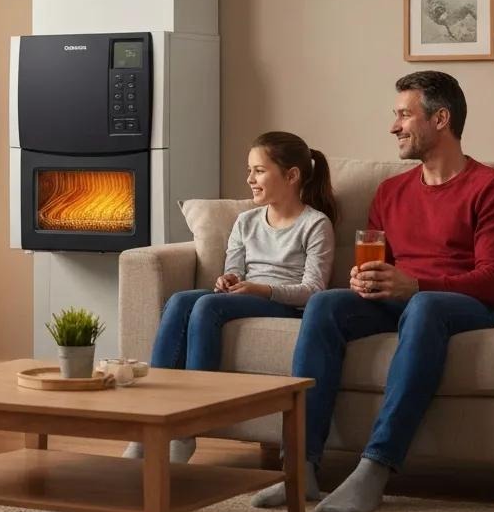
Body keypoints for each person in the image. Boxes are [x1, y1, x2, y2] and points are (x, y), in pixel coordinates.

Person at [254, 71, 494, 512]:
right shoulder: (392, 191)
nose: (394, 126)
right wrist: (368, 279)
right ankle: (300, 469)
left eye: (404, 115)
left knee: (424, 306)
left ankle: (375, 467)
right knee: (325, 303)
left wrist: (414, 285)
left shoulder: (492, 189)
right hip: (407, 300)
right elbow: (381, 264)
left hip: (470, 307)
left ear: (441, 119)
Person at [124, 132, 337, 463]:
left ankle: (186, 429)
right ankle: (147, 420)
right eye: (249, 170)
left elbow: (313, 291)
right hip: (246, 295)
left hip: (284, 304)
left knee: (207, 305)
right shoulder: (246, 221)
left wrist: (261, 289)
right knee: (181, 301)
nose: (249, 179)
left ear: (292, 175)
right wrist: (230, 280)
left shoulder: (315, 224)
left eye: (259, 171)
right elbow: (233, 269)